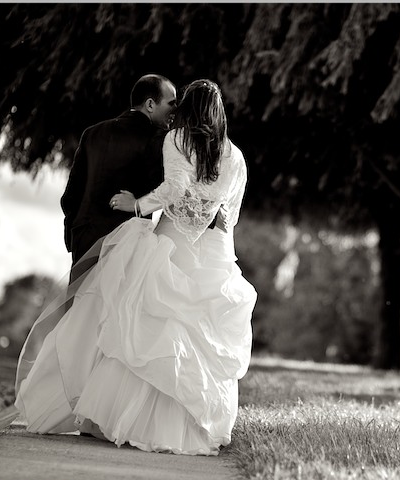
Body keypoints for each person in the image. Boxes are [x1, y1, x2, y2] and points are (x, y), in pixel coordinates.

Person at [14, 79, 257, 456]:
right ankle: (188, 426)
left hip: (174, 240)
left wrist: (138, 205)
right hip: (215, 250)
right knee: (199, 333)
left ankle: (121, 418)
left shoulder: (177, 140)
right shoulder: (236, 156)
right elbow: (230, 214)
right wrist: (212, 230)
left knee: (148, 325)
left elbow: (175, 188)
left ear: (190, 109)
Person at [60, 74, 176, 268]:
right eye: (171, 103)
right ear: (150, 104)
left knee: (84, 299)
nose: (175, 110)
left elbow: (70, 197)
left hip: (84, 243)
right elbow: (166, 190)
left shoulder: (92, 133)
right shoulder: (160, 141)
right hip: (126, 245)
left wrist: (76, 233)